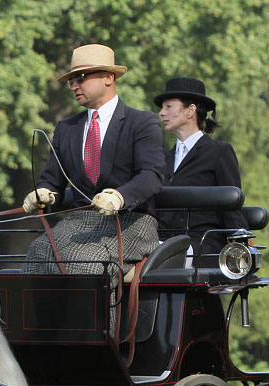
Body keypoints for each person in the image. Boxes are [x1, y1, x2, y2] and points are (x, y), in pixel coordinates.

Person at [22, 44, 165, 278]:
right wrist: (42, 193)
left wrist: (120, 196)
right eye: (71, 81)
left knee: (85, 263)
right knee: (37, 253)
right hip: (79, 223)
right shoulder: (66, 128)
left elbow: (152, 175)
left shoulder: (141, 122)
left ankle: (95, 317)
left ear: (109, 77)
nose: (74, 86)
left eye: (81, 78)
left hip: (132, 221)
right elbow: (52, 180)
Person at [154, 77, 246, 257]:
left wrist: (240, 248)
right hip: (160, 246)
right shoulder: (161, 159)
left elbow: (232, 208)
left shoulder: (219, 153)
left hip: (202, 248)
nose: (161, 113)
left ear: (190, 110)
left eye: (169, 106)